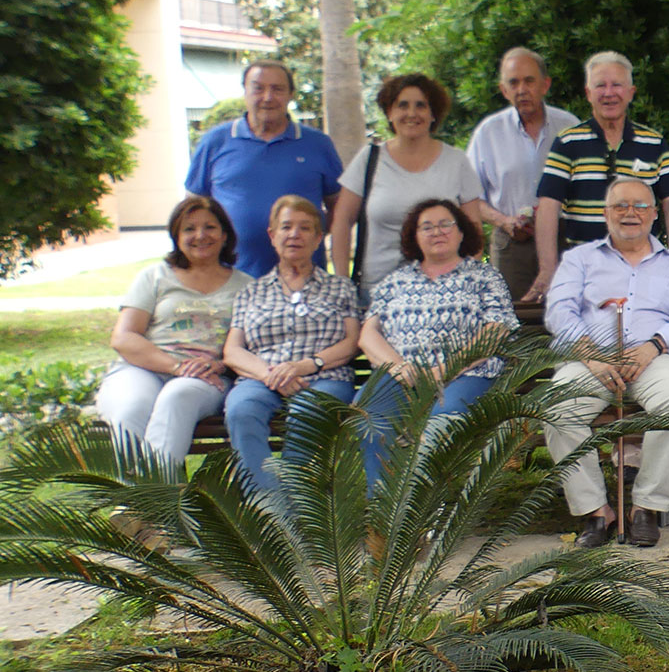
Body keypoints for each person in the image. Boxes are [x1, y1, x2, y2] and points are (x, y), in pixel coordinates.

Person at [543, 178, 669, 548]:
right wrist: (590, 354)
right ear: (605, 213)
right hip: (591, 360)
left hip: (653, 358)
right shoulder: (580, 259)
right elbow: (559, 311)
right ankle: (596, 511)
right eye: (620, 206)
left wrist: (654, 345)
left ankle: (646, 507)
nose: (631, 213)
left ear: (654, 214)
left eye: (640, 206)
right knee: (557, 408)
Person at [355, 200, 518, 489]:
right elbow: (368, 335)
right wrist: (398, 366)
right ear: (414, 237)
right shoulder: (396, 280)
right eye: (427, 227)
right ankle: (382, 507)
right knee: (368, 416)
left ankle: (424, 508)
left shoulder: (484, 276)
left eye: (445, 224)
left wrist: (444, 370)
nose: (437, 232)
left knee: (441, 423)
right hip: (402, 376)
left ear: (461, 232)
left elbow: (497, 330)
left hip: (467, 374)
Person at [97, 195, 251, 468]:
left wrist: (219, 365)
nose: (200, 235)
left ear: (225, 234)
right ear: (176, 237)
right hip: (143, 368)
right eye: (189, 228)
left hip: (205, 377)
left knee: (178, 396)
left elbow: (252, 346)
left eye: (210, 227)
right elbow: (123, 337)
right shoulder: (154, 276)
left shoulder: (247, 286)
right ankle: (137, 494)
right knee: (131, 408)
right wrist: (176, 366)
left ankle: (158, 492)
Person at [222, 196, 361, 494]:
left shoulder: (340, 288)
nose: (294, 234)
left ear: (318, 238)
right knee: (241, 411)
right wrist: (272, 374)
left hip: (324, 377)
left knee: (307, 414)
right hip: (262, 378)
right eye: (286, 227)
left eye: (305, 228)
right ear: (272, 236)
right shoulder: (251, 291)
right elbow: (232, 351)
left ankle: (298, 505)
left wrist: (302, 366)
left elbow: (352, 342)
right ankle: (269, 506)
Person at [528, 51, 669, 301]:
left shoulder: (654, 143)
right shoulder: (568, 143)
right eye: (600, 85)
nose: (609, 93)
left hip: (643, 270)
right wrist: (548, 270)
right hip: (585, 272)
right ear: (588, 93)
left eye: (617, 85)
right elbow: (548, 206)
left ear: (631, 92)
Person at [331, 74, 485, 301]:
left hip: (442, 294)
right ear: (389, 113)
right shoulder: (369, 159)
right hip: (376, 293)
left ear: (433, 114)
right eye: (402, 105)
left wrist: (466, 285)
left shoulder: (456, 161)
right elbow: (342, 222)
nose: (412, 113)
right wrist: (343, 283)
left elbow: (474, 232)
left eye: (421, 105)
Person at [184, 59, 342, 276]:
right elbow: (192, 210)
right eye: (258, 88)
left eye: (277, 89)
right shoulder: (215, 142)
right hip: (230, 278)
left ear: (290, 95)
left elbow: (340, 207)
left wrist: (310, 234)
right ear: (245, 92)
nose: (268, 97)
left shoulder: (318, 144)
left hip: (303, 279)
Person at [466, 48, 581, 300]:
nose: (522, 90)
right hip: (511, 245)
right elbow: (470, 197)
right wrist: (504, 221)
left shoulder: (569, 127)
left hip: (564, 241)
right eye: (513, 83)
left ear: (545, 85)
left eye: (529, 81)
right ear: (503, 90)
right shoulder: (488, 133)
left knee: (566, 313)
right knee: (512, 315)